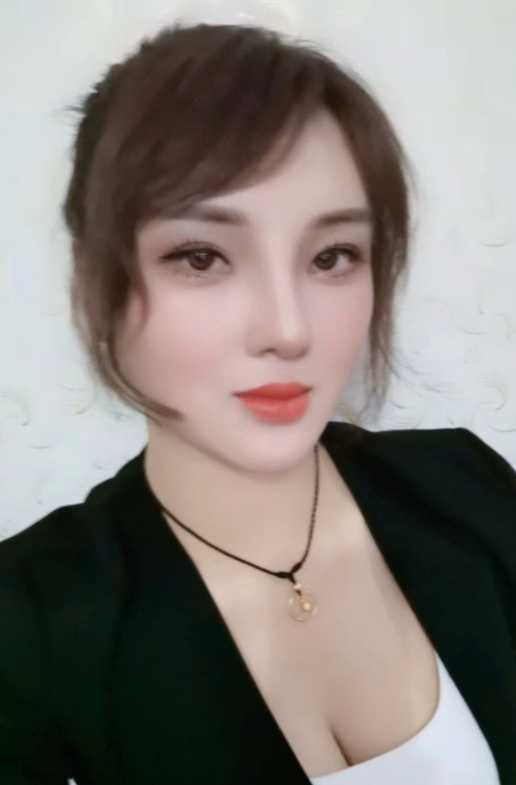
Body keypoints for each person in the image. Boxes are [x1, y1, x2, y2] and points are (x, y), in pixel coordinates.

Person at [1, 20, 515, 785]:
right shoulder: (29, 629)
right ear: (94, 281)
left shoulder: (465, 483)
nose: (288, 328)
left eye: (332, 256)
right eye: (201, 256)